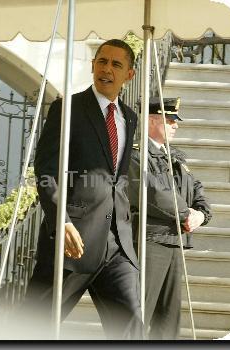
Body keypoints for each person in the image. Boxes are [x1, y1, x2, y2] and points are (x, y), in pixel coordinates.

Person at [20, 39, 142, 339]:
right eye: (102, 61)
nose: (106, 69)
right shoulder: (68, 108)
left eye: (116, 64)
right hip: (72, 243)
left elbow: (116, 180)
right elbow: (46, 170)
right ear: (92, 65)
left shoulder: (130, 117)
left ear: (130, 74)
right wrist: (61, 220)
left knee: (131, 327)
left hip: (118, 248)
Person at [128, 97, 212, 340]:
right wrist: (187, 215)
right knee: (140, 315)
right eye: (171, 120)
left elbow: (196, 188)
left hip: (175, 241)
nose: (176, 125)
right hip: (150, 240)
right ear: (153, 120)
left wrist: (201, 215)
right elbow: (153, 192)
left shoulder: (176, 157)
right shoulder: (136, 155)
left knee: (169, 320)